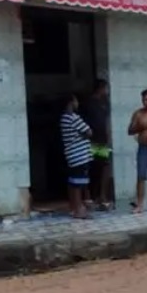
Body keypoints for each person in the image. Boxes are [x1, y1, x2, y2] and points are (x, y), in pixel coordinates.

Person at [80, 79, 113, 210]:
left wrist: (108, 136)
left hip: (102, 141)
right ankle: (88, 196)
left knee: (103, 166)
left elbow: (105, 121)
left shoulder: (104, 103)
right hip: (91, 141)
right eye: (105, 88)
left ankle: (102, 196)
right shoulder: (89, 103)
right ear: (100, 89)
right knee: (89, 167)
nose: (107, 91)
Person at [60, 94, 93, 219]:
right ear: (71, 103)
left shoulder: (64, 118)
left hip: (71, 155)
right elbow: (89, 132)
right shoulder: (73, 117)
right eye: (76, 100)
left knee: (73, 182)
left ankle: (74, 208)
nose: (77, 103)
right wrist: (83, 136)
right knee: (79, 183)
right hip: (80, 156)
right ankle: (79, 210)